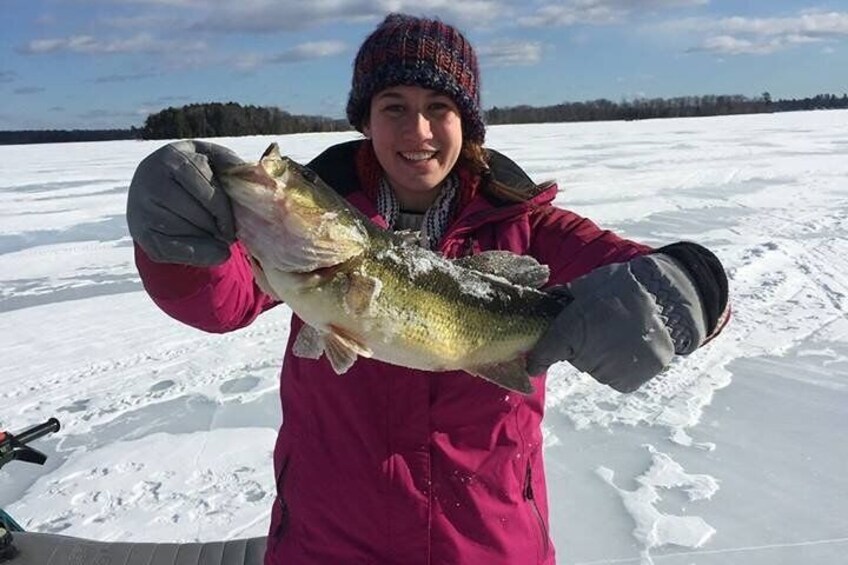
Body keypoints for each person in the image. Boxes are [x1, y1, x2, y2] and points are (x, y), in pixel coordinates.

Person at [126, 13, 729, 565]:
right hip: (327, 542)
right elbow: (219, 303)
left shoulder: (531, 228)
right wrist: (175, 240)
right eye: (393, 106)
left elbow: (662, 276)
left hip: (487, 544)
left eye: (439, 107)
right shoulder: (306, 244)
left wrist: (683, 289)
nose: (417, 129)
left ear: (466, 122)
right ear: (365, 120)